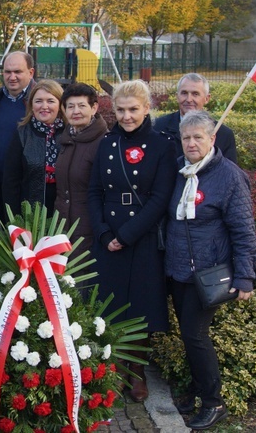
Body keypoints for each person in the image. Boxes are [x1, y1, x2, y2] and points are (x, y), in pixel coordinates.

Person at [165, 110, 256, 430]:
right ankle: (195, 389)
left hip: (208, 272)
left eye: (197, 137)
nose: (191, 143)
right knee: (189, 335)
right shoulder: (179, 171)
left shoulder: (229, 176)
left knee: (196, 335)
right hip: (177, 269)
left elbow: (244, 231)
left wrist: (245, 276)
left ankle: (213, 402)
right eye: (186, 138)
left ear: (212, 139)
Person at [87, 79, 176, 402]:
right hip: (109, 233)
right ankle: (114, 369)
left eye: (133, 110)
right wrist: (104, 233)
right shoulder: (107, 144)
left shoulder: (162, 144)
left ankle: (137, 373)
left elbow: (161, 197)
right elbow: (94, 192)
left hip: (142, 236)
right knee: (109, 307)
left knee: (140, 309)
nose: (126, 116)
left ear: (147, 108)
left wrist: (126, 235)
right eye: (121, 110)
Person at [54, 83, 108, 258]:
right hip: (62, 225)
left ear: (94, 108)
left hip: (89, 227)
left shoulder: (104, 142)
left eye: (81, 106)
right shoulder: (65, 139)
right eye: (70, 106)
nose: (75, 111)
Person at [2, 79, 65, 219]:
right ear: (31, 105)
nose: (44, 106)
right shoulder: (22, 134)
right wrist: (14, 220)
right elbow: (11, 182)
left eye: (50, 101)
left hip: (63, 213)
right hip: (30, 214)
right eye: (38, 101)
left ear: (60, 104)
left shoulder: (70, 133)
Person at [0, 51, 36, 220]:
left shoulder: (41, 99)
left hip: (30, 185)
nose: (12, 77)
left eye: (18, 72)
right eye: (7, 72)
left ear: (31, 72)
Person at [154, 73, 237, 164]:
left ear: (207, 98)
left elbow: (229, 172)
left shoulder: (223, 134)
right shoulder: (158, 128)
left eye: (195, 94)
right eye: (184, 93)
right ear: (177, 96)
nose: (189, 99)